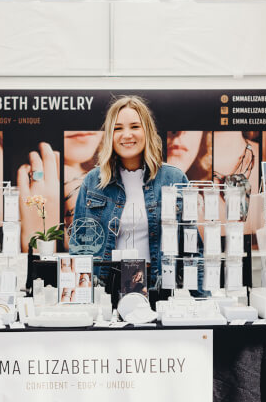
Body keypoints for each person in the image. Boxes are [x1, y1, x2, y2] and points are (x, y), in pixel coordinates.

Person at [73, 95, 206, 295]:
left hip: (160, 292)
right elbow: (79, 249)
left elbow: (192, 250)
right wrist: (79, 299)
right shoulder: (93, 181)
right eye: (118, 128)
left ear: (147, 131)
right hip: (105, 293)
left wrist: (201, 302)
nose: (127, 135)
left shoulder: (174, 178)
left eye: (135, 126)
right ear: (109, 135)